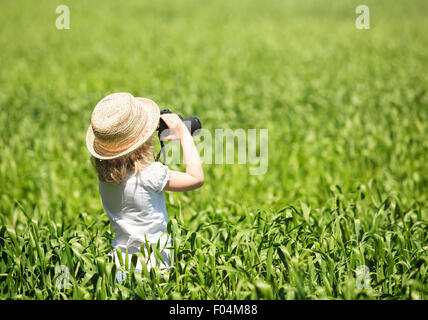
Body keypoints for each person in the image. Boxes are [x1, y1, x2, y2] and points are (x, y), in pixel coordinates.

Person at [86, 92, 204, 276]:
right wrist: (183, 134)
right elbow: (196, 178)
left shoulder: (106, 178)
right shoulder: (151, 175)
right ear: (143, 141)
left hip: (117, 267)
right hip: (153, 270)